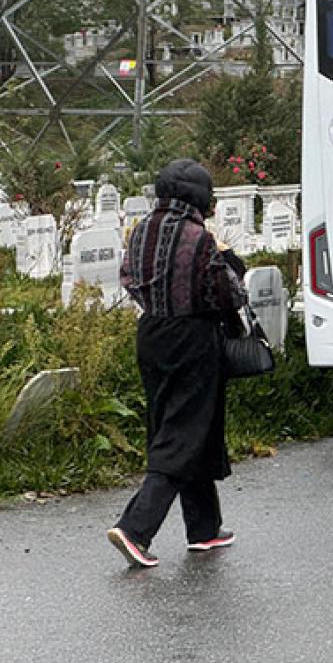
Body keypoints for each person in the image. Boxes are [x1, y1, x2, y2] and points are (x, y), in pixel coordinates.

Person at [107, 159, 248, 568]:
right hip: (193, 339)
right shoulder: (200, 239)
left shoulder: (139, 232)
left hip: (151, 335)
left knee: (177, 423)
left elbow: (128, 279)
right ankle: (135, 529)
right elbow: (228, 294)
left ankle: (203, 528)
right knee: (185, 430)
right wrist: (233, 264)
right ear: (199, 197)